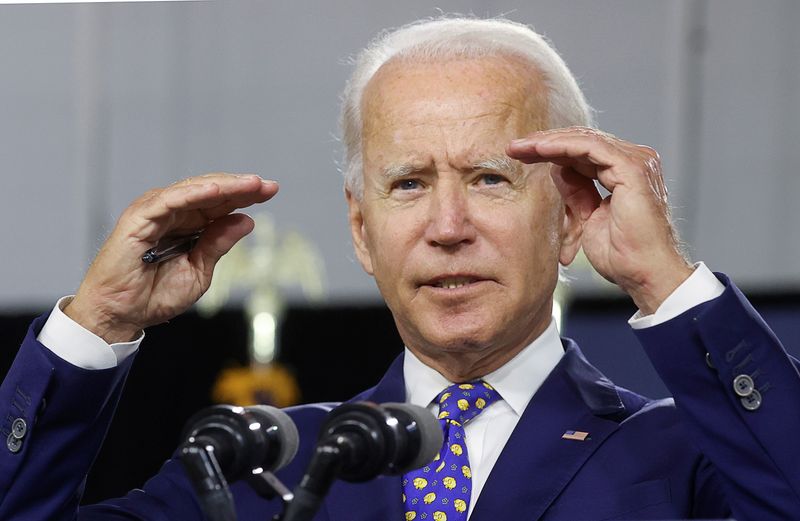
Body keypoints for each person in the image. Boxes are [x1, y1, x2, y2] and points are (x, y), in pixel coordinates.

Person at [1, 16, 798, 521]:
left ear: (568, 214)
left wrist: (667, 281)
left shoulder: (681, 452)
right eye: (408, 183)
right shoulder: (255, 469)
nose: (446, 227)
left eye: (490, 178)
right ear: (360, 226)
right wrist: (96, 325)